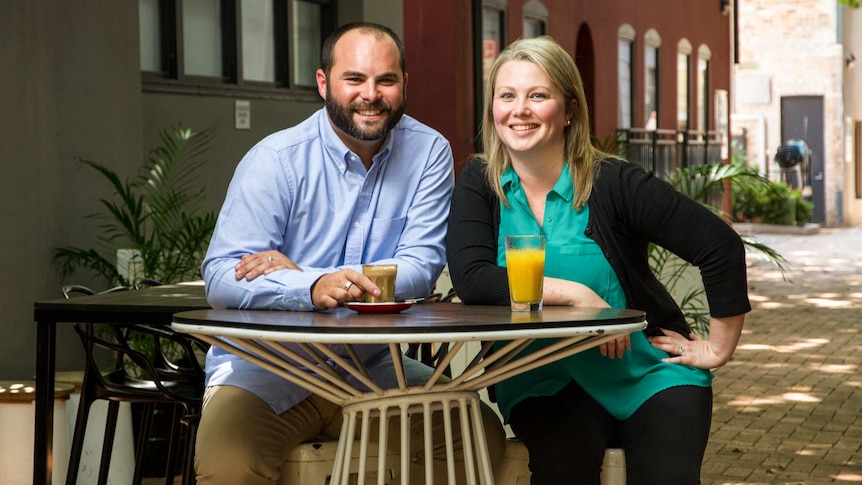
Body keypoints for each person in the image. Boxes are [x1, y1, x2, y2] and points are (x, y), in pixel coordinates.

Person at [197, 22, 504, 484]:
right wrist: (312, 287)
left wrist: (308, 275)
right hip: (267, 369)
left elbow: (420, 269)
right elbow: (222, 277)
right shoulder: (276, 160)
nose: (371, 95)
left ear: (404, 84)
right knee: (229, 468)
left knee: (477, 435)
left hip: (373, 368)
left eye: (386, 80)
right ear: (324, 84)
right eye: (355, 79)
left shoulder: (428, 153)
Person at [446, 36, 751, 484]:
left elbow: (719, 245)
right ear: (493, 108)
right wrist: (580, 297)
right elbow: (473, 280)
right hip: (541, 378)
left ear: (569, 109)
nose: (520, 109)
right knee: (563, 469)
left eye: (538, 95)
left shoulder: (613, 182)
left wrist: (718, 348)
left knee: (667, 476)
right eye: (507, 95)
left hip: (646, 371)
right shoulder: (480, 181)